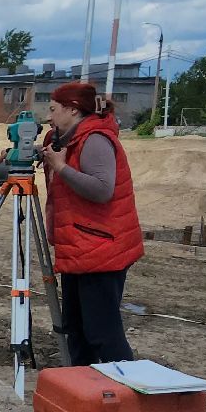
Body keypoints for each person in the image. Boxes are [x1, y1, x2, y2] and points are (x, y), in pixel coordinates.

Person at [37, 80, 143, 367]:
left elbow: (101, 189)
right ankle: (84, 388)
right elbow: (55, 152)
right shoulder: (66, 138)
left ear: (72, 110)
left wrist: (60, 167)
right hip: (80, 246)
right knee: (78, 329)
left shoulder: (95, 139)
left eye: (53, 109)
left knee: (102, 332)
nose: (49, 116)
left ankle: (125, 389)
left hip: (102, 248)